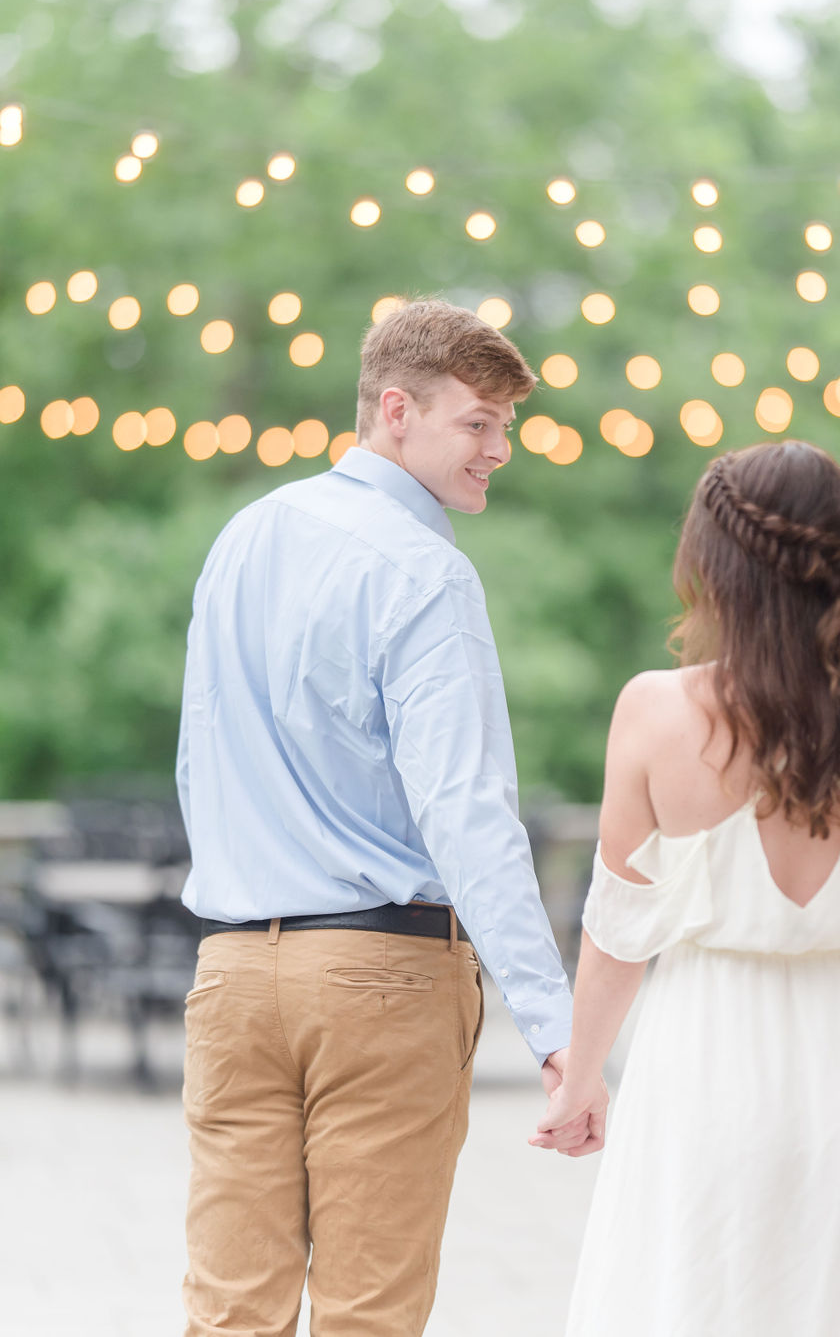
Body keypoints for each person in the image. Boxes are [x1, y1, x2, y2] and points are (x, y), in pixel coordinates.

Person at [176, 298, 602, 1337]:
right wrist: (558, 1025)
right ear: (396, 409)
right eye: (478, 422)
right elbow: (465, 812)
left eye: (506, 425)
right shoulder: (425, 571)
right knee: (369, 1317)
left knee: (229, 1314)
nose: (499, 449)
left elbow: (200, 756)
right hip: (382, 975)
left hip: (232, 975)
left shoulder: (245, 535)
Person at [532, 440, 840, 1337]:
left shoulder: (654, 712)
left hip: (701, 1066)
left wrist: (582, 1076)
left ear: (713, 561)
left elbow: (617, 931)